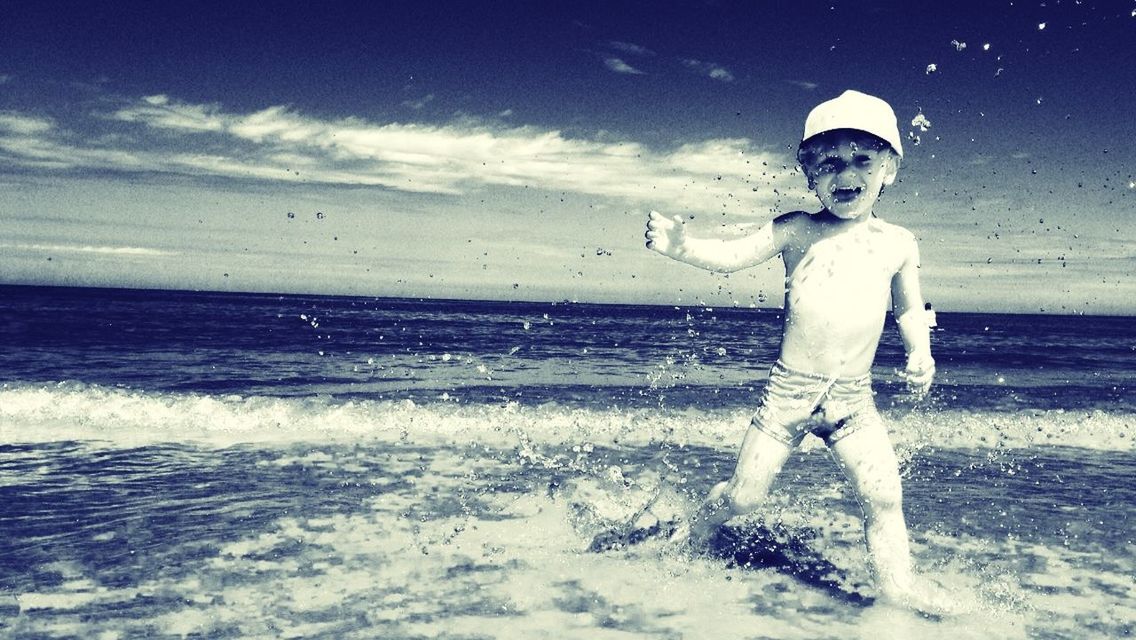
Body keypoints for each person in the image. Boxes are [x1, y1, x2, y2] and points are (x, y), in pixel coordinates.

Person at [644, 90, 939, 609]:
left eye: (863, 160)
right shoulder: (798, 229)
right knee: (744, 495)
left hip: (854, 400)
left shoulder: (899, 243)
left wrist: (920, 351)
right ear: (808, 173)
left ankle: (898, 594)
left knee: (884, 496)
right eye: (827, 162)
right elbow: (733, 256)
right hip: (788, 396)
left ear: (889, 168)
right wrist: (683, 247)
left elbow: (909, 308)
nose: (845, 172)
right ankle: (691, 536)